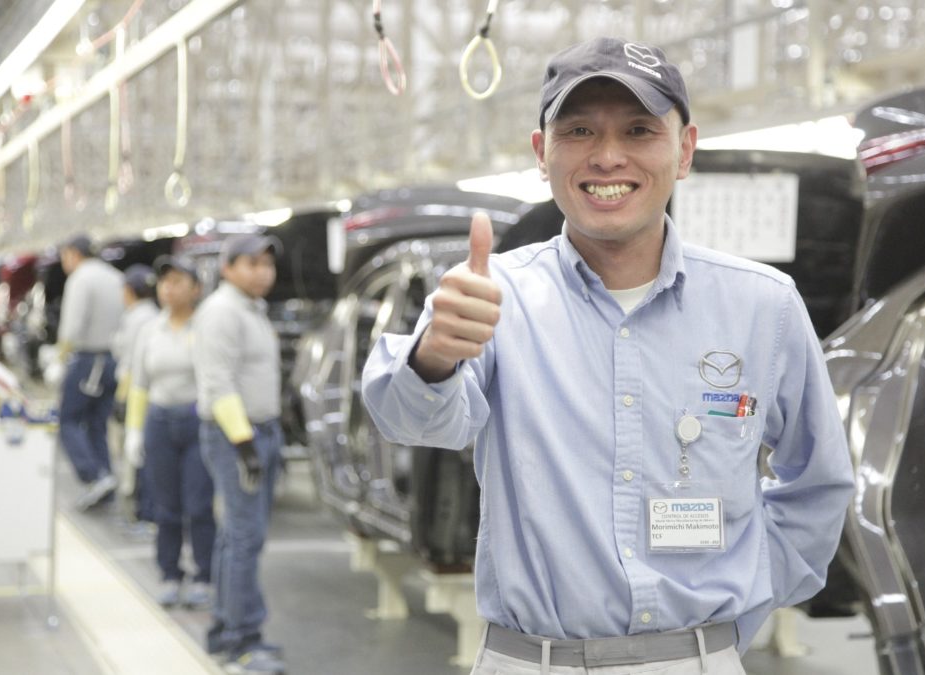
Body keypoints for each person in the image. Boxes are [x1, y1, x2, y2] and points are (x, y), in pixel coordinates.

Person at [361, 37, 855, 675]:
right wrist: (433, 357)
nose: (608, 156)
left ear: (685, 150)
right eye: (580, 130)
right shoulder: (489, 295)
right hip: (531, 660)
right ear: (543, 153)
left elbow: (818, 483)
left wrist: (742, 601)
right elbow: (410, 422)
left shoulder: (764, 305)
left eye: (640, 129)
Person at [193, 234, 286, 674]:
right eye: (251, 263)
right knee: (244, 538)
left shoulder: (251, 308)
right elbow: (218, 382)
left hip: (258, 431)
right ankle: (239, 643)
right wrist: (244, 444)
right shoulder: (222, 312)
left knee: (238, 536)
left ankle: (226, 630)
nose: (262, 272)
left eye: (267, 264)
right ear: (227, 267)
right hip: (237, 436)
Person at [124, 255, 215, 609]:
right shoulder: (150, 331)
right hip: (159, 421)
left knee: (199, 504)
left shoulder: (205, 328)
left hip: (196, 421)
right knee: (165, 506)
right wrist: (134, 430)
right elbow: (139, 385)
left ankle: (205, 574)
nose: (169, 288)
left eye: (178, 281)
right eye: (165, 282)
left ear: (196, 288)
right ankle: (169, 573)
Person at [57, 233, 125, 510]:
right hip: (112, 360)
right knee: (98, 425)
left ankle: (93, 475)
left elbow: (73, 325)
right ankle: (106, 482)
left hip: (87, 361)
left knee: (68, 420)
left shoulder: (81, 278)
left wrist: (60, 358)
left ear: (73, 253)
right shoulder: (114, 276)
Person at [113, 263, 159, 522]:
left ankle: (146, 513)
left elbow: (131, 363)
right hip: (149, 394)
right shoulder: (153, 315)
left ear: (130, 291)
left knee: (139, 456)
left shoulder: (135, 319)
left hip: (137, 394)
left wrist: (122, 398)